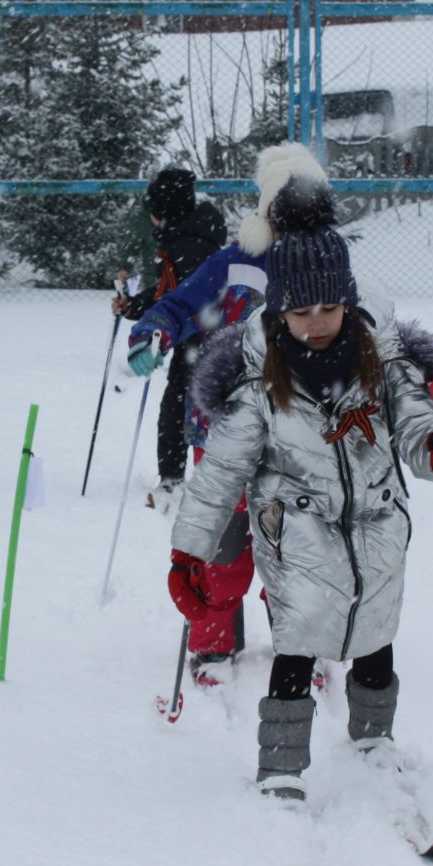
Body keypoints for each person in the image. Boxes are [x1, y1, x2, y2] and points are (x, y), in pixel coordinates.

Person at [166, 162, 433, 802]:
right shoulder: (259, 385)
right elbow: (221, 471)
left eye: (330, 307)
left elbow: (414, 420)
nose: (316, 322)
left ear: (349, 303)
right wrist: (189, 550)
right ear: (279, 311)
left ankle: (373, 738)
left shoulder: (381, 365)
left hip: (377, 528)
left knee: (376, 637)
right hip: (297, 535)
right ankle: (281, 768)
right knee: (297, 649)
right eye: (300, 310)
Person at [122, 144, 312, 683]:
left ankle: (301, 644)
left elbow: (364, 328)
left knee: (296, 545)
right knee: (224, 540)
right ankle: (212, 641)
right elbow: (181, 304)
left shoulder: (324, 265)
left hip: (298, 428)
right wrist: (154, 328)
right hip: (225, 422)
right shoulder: (236, 262)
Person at [113, 167, 227, 510]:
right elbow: (170, 292)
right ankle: (186, 475)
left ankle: (176, 479)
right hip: (198, 336)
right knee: (186, 404)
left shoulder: (187, 246)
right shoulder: (189, 236)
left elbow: (183, 296)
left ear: (164, 211)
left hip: (201, 339)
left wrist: (153, 319)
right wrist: (135, 306)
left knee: (181, 405)